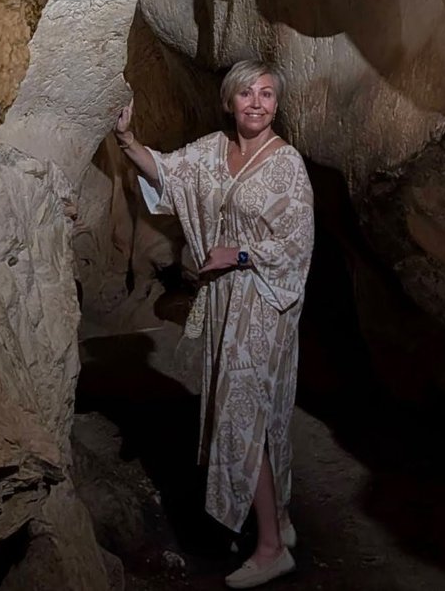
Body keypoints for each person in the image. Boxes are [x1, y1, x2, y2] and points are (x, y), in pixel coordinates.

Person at [114, 58, 314, 588]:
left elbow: (296, 245)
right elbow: (168, 175)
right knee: (261, 412)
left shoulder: (286, 165)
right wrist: (128, 139)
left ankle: (271, 549)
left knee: (244, 412)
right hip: (228, 301)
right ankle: (284, 520)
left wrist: (240, 254)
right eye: (247, 93)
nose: (256, 103)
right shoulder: (209, 151)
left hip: (265, 304)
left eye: (267, 94)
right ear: (230, 100)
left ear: (277, 104)